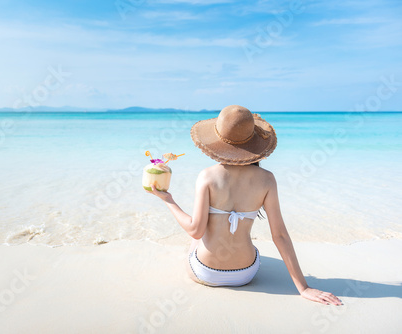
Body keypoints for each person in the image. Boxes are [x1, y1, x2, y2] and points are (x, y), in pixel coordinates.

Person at [146, 105, 342, 305]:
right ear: (254, 144)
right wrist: (303, 287)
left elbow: (195, 230)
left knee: (195, 242)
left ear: (217, 140)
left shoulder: (207, 176)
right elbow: (280, 236)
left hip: (206, 272)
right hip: (246, 274)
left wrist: (168, 200)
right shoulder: (267, 179)